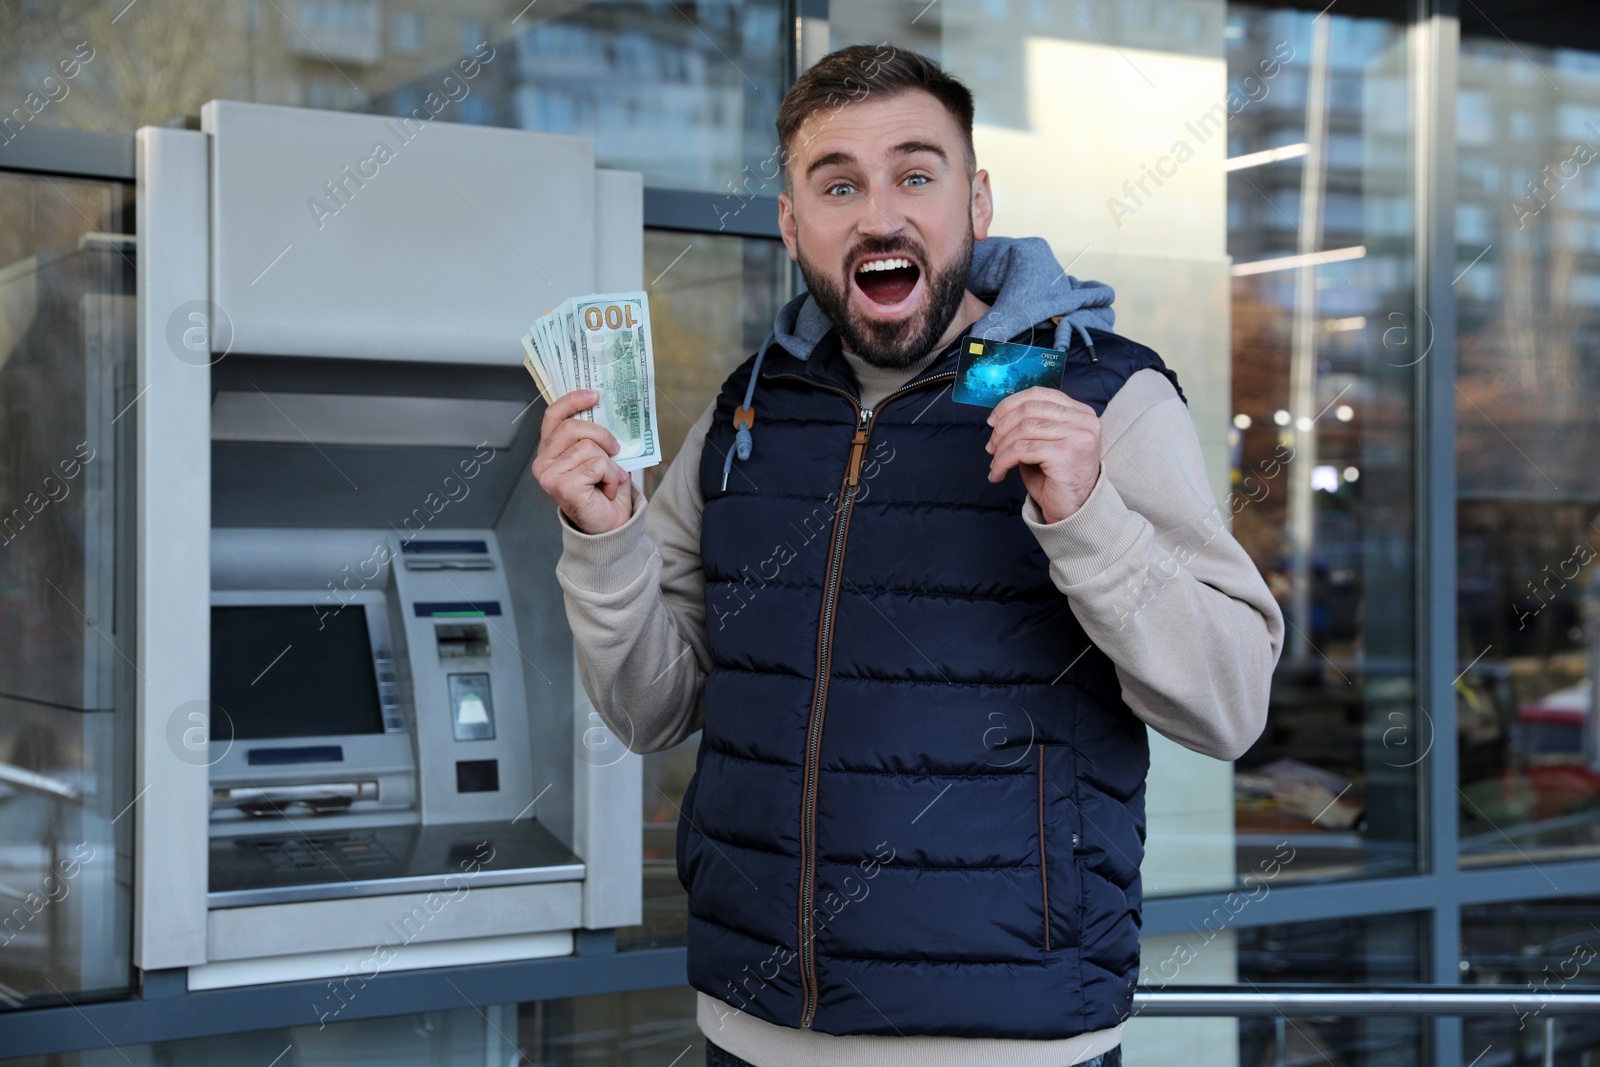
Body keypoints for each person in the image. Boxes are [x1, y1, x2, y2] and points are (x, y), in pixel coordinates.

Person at [534, 44, 1284, 1067]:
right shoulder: (745, 414)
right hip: (752, 1032)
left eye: (915, 175)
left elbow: (1230, 702)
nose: (878, 215)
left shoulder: (1105, 396)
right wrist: (602, 536)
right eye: (837, 183)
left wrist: (1092, 517)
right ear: (793, 223)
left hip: (1013, 1042)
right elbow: (648, 708)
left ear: (974, 202)